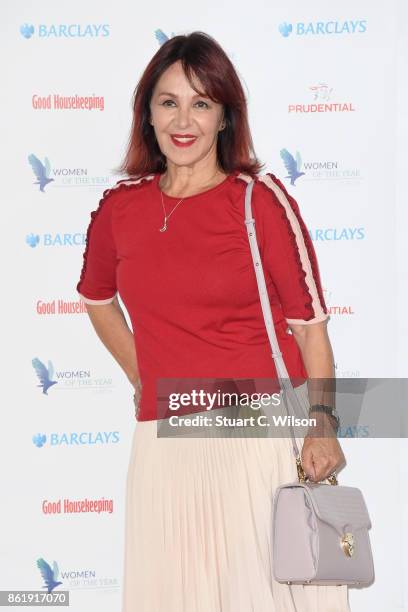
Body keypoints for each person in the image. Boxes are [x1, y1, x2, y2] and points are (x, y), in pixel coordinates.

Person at [76, 31, 349, 612]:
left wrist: (322, 422)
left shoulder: (258, 201)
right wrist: (141, 376)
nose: (184, 119)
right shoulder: (118, 209)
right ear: (146, 113)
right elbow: (97, 300)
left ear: (225, 116)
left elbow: (310, 329)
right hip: (163, 440)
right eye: (169, 101)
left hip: (255, 436)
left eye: (202, 103)